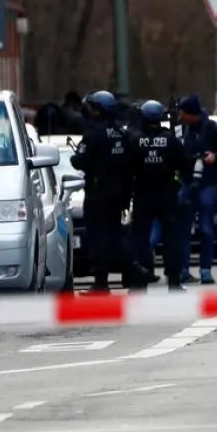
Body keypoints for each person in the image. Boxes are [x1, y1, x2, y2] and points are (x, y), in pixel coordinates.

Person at [70, 90, 151, 293]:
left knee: (99, 240)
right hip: (118, 194)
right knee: (115, 236)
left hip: (98, 195)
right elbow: (131, 164)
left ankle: (103, 283)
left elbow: (78, 160)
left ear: (97, 111)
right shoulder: (122, 134)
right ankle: (134, 272)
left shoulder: (93, 133)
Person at [175, 94, 217, 285]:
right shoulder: (183, 129)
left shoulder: (212, 129)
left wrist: (215, 157)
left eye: (182, 112)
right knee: (182, 228)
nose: (179, 116)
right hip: (187, 183)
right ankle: (183, 269)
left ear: (191, 114)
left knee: (206, 228)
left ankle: (205, 270)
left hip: (209, 184)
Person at [129, 100, 188, 290]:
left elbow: (126, 168)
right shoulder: (171, 139)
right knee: (172, 238)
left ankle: (141, 279)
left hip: (142, 194)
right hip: (167, 193)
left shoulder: (135, 139)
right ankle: (174, 280)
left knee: (140, 238)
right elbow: (184, 163)